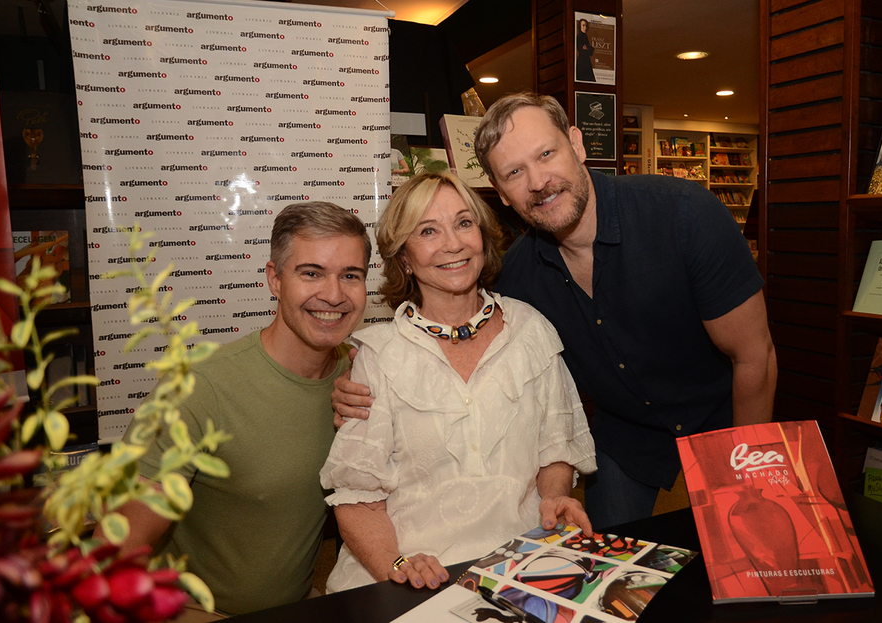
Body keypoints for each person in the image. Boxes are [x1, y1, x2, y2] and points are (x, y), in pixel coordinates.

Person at [333, 93, 776, 531]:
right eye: (514, 172)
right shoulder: (517, 276)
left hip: (726, 413)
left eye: (546, 153)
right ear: (502, 194)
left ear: (578, 145)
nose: (539, 180)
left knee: (742, 544)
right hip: (625, 435)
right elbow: (461, 331)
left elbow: (754, 357)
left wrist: (745, 469)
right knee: (606, 565)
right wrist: (369, 382)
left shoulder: (684, 215)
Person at [319, 172, 596, 592]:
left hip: (519, 563)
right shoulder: (378, 354)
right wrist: (398, 564)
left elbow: (555, 446)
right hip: (412, 573)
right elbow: (358, 498)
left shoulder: (530, 330)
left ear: (483, 237)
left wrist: (555, 494)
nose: (453, 244)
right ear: (404, 257)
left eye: (464, 223)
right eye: (428, 230)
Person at [109, 202, 370, 619]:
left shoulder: (361, 375)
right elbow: (124, 537)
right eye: (311, 273)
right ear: (275, 279)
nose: (334, 295)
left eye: (350, 276)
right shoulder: (199, 387)